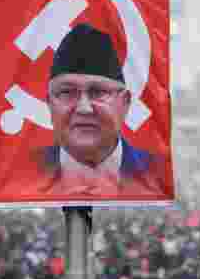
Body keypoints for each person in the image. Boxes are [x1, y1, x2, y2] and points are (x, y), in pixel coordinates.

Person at [30, 24, 171, 200]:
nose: (84, 108)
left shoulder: (156, 173)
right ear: (49, 104)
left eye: (98, 92)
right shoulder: (22, 172)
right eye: (67, 92)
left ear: (125, 103)